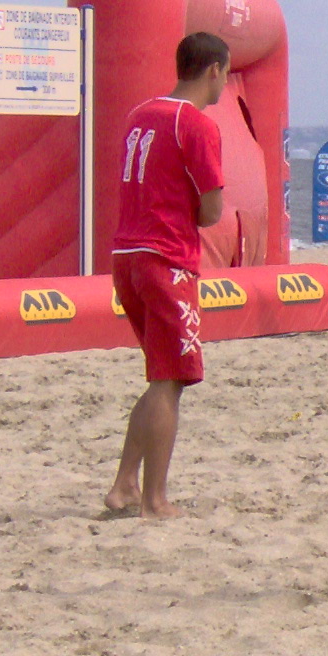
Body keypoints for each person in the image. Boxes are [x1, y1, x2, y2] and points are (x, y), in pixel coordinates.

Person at [105, 32, 229, 520]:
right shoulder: (195, 124)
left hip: (127, 253)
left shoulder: (140, 113)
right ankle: (154, 499)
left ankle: (124, 485)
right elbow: (211, 209)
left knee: (161, 376)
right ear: (214, 70)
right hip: (166, 257)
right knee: (170, 380)